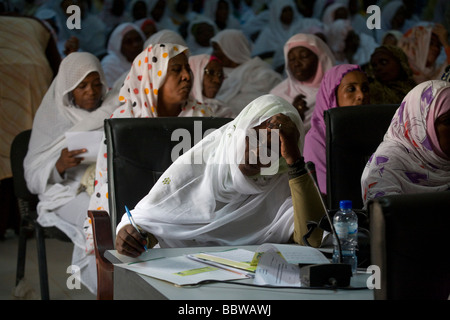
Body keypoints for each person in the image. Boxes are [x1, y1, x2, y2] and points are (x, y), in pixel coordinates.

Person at [114, 94, 326, 256]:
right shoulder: (199, 168)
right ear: (237, 133)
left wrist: (295, 161)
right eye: (252, 138)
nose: (256, 152)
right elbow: (149, 223)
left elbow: (311, 239)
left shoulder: (278, 181)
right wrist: (131, 236)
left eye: (270, 148)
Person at [23, 52, 115, 294]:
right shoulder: (52, 119)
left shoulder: (112, 110)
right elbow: (32, 177)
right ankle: (106, 290)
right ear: (67, 89)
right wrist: (59, 166)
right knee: (97, 221)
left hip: (102, 183)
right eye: (81, 86)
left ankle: (128, 285)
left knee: (128, 218)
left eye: (97, 84)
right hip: (65, 191)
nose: (92, 92)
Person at [89, 43, 213, 212]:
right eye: (176, 70)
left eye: (187, 69)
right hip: (135, 206)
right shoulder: (125, 120)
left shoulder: (201, 114)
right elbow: (110, 179)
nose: (187, 76)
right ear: (152, 76)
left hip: (190, 204)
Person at [361, 80, 450, 206]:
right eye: (448, 121)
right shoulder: (384, 169)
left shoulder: (444, 158)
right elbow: (386, 222)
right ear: (422, 126)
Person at [303, 64, 370, 196]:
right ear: (332, 96)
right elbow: (329, 195)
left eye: (365, 88)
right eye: (351, 89)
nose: (361, 95)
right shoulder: (318, 139)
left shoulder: (374, 130)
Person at [270, 33, 335, 132]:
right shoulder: (276, 96)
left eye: (303, 56)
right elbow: (270, 141)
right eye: (291, 59)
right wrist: (293, 119)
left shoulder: (335, 91)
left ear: (319, 59)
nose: (297, 63)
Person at [210, 29, 283, 115]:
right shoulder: (215, 73)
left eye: (216, 49)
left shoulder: (262, 75)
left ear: (230, 49)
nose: (213, 54)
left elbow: (258, 106)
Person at [251, 0, 300, 69]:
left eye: (290, 10)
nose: (288, 14)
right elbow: (257, 58)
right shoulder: (268, 33)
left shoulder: (300, 28)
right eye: (284, 11)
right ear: (277, 13)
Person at [188, 54, 235, 118]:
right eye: (211, 73)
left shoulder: (223, 111)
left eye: (220, 75)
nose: (217, 80)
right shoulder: (178, 110)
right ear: (195, 73)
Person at [101, 22, 145, 88]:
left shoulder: (147, 59)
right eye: (128, 42)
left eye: (138, 40)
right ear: (118, 45)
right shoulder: (109, 64)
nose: (135, 45)